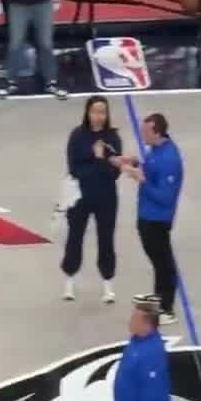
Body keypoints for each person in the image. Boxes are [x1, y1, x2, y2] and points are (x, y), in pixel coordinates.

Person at [119, 112, 184, 320]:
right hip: (147, 216)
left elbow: (165, 197)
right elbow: (151, 171)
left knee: (164, 264)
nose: (142, 135)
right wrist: (136, 163)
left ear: (157, 133)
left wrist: (142, 180)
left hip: (157, 220)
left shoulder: (169, 159)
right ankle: (160, 300)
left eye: (145, 132)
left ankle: (167, 308)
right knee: (159, 263)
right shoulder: (155, 150)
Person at [61, 93, 122, 303]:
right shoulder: (77, 136)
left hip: (106, 198)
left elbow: (114, 172)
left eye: (102, 112)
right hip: (80, 197)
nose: (98, 116)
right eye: (95, 112)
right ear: (87, 113)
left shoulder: (112, 139)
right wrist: (97, 163)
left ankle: (108, 284)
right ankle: (69, 281)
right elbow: (74, 168)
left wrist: (99, 160)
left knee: (106, 240)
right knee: (75, 238)